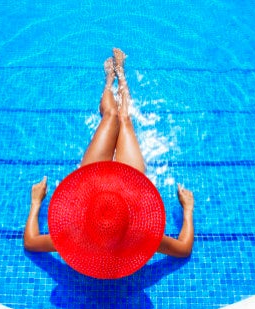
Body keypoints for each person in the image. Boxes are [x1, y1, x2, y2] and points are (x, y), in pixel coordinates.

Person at [23, 48, 194, 261]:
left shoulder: (77, 237)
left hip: (93, 189)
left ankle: (110, 80)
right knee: (123, 119)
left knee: (111, 116)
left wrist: (36, 202)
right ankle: (119, 76)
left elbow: (31, 242)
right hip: (127, 191)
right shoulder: (138, 237)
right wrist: (187, 209)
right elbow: (183, 248)